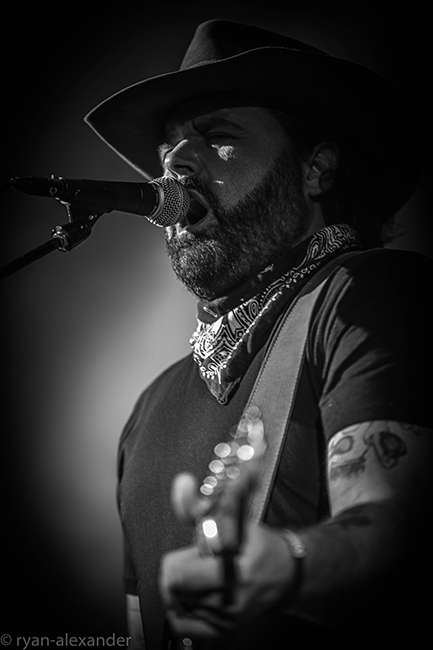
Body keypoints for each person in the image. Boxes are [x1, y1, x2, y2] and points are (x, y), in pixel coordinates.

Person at [85, 19, 432, 650]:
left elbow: (398, 526)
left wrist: (290, 566)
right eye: (168, 149)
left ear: (316, 170)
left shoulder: (366, 295)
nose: (175, 163)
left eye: (217, 135)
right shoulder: (148, 410)